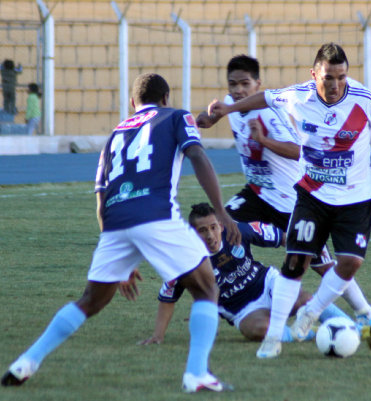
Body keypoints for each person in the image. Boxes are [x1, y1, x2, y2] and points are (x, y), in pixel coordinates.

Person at [1, 73, 240, 393]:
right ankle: (196, 373)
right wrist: (221, 211)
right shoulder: (177, 115)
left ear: (132, 104)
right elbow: (196, 155)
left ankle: (27, 360)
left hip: (114, 222)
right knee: (206, 287)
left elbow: (101, 196)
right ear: (166, 98)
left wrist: (121, 257)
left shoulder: (115, 134)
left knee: (90, 301)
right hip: (156, 214)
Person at [208, 43, 371, 358]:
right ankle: (268, 331)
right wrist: (225, 111)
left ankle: (331, 310)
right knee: (292, 261)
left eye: (341, 76)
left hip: (349, 197)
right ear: (315, 75)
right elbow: (268, 96)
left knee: (345, 263)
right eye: (328, 77)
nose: (335, 84)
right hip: (308, 194)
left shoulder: (364, 99)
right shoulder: (297, 96)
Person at [120, 202, 355, 345]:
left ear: (221, 225)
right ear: (192, 234)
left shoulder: (238, 232)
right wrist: (158, 335)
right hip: (242, 310)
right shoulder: (185, 260)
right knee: (258, 330)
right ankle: (316, 334)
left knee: (305, 300)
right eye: (202, 231)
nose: (210, 235)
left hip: (267, 283)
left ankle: (350, 326)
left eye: (213, 227)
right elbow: (167, 298)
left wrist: (303, 250)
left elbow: (283, 238)